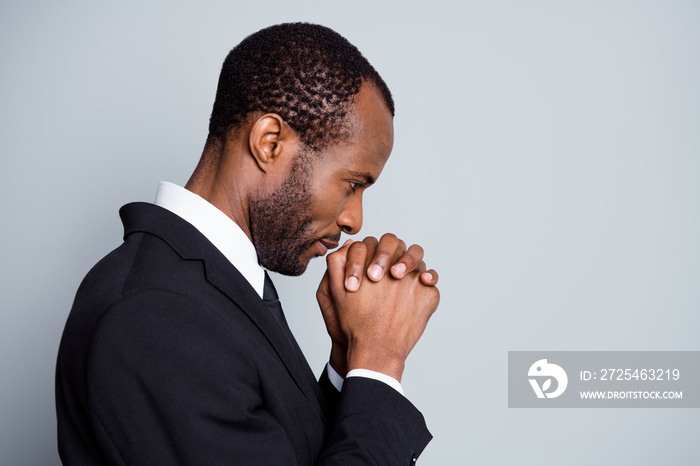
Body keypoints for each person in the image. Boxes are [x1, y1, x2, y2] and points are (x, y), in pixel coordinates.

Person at [55, 22, 440, 465]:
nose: (354, 220)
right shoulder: (156, 315)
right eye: (352, 183)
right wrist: (379, 364)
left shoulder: (211, 286)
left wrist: (348, 360)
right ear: (269, 142)